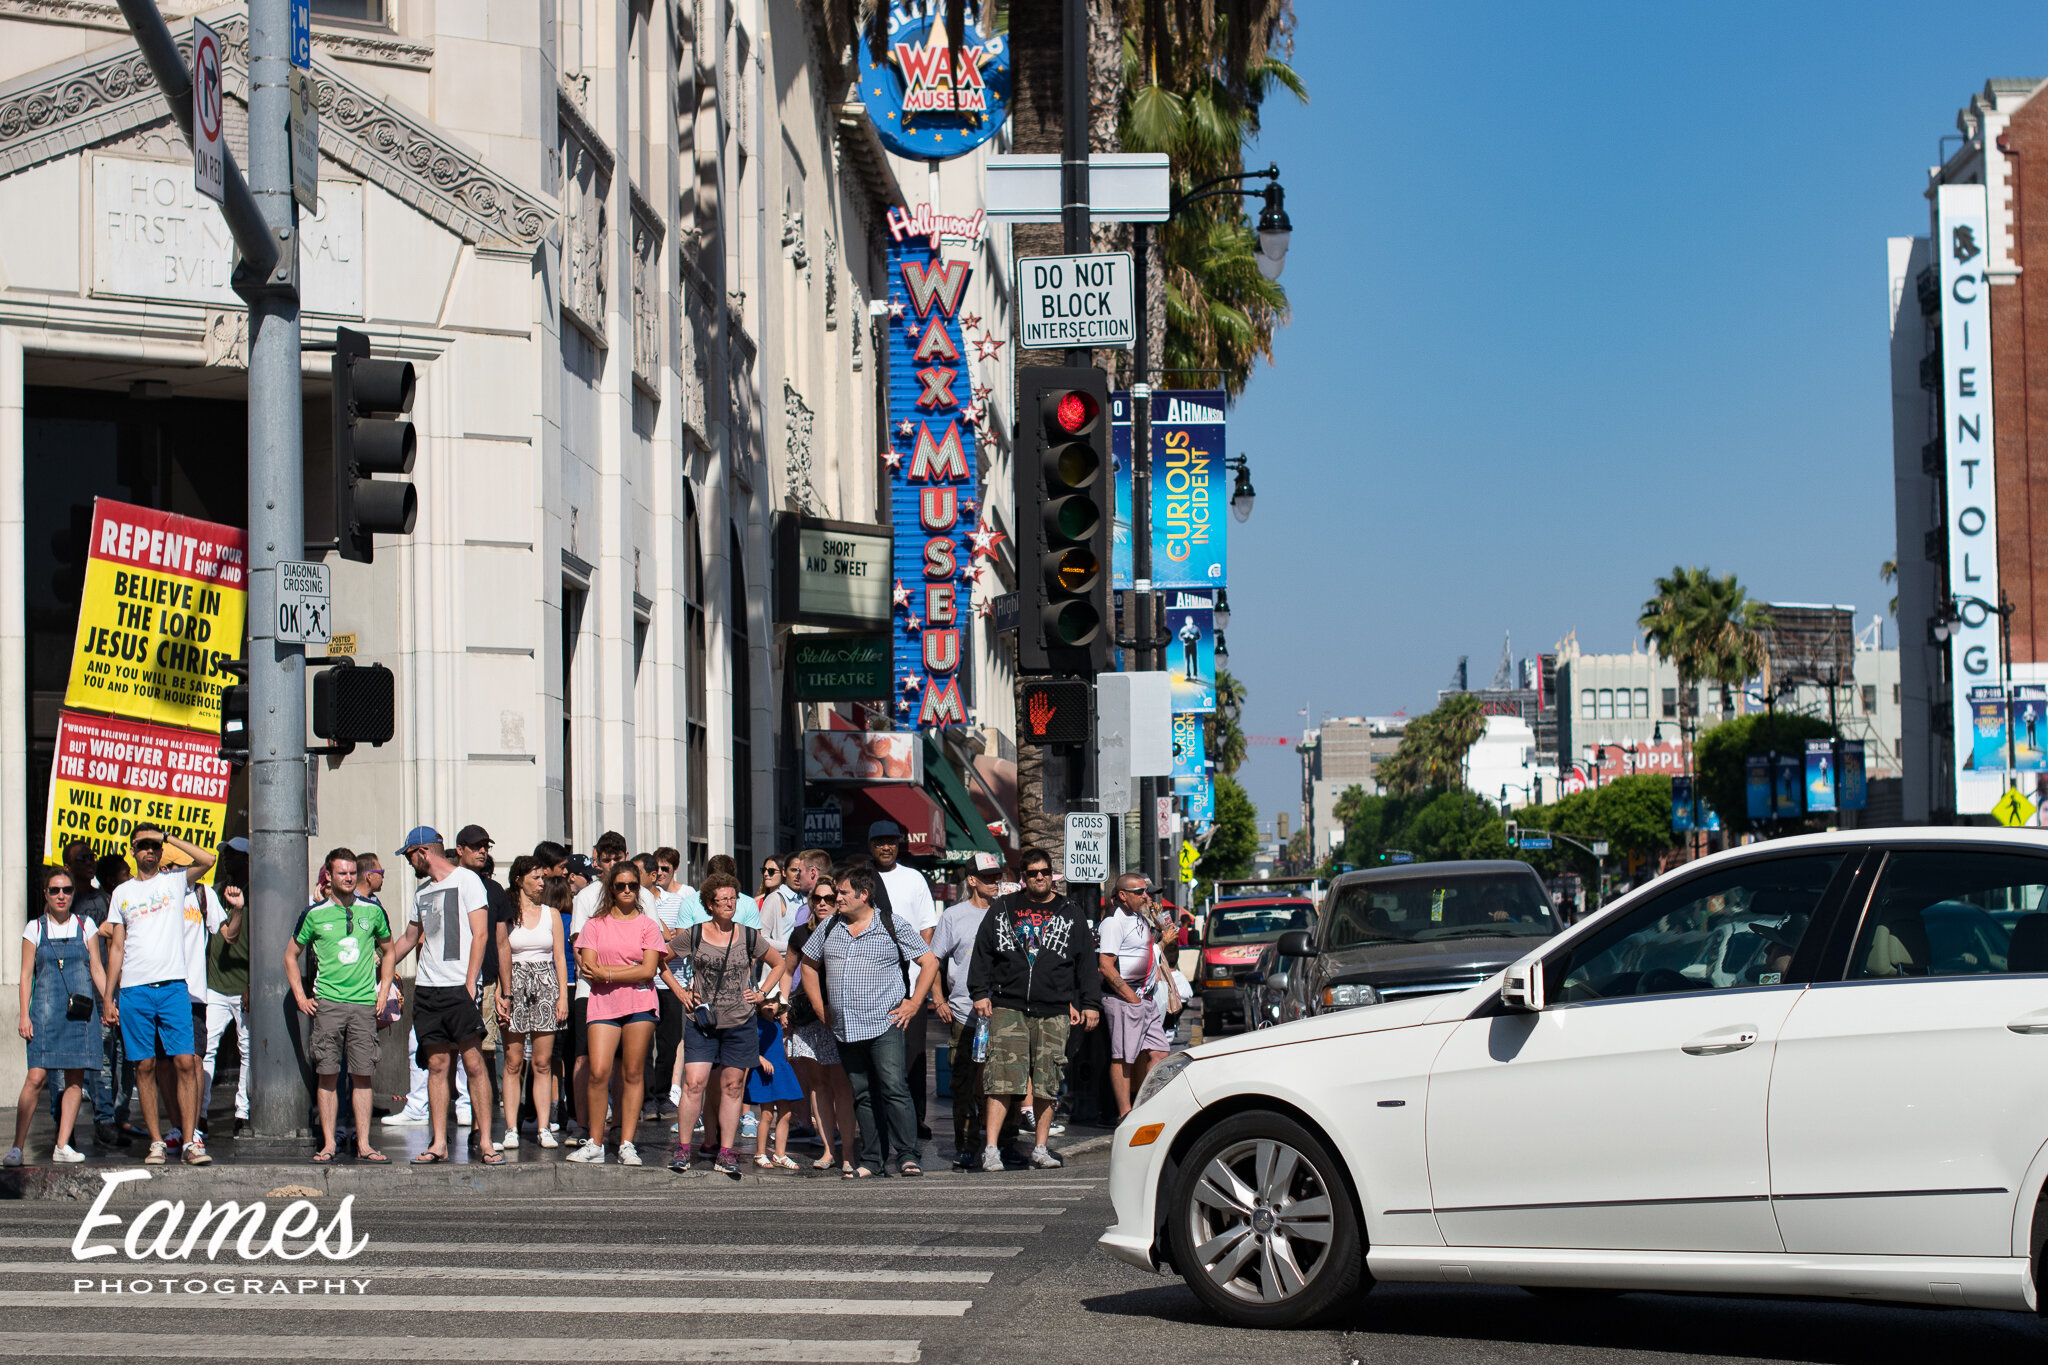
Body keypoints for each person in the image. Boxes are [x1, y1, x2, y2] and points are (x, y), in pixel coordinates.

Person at [801, 866, 940, 1179]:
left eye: (843, 893)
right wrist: (819, 1006)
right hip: (845, 1028)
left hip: (884, 1024)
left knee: (894, 1088)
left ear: (863, 895)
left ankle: (907, 1155)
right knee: (862, 1093)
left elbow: (929, 961)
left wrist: (915, 1002)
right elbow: (808, 965)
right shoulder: (829, 927)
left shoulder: (890, 924)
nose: (837, 898)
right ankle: (873, 1159)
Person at [968, 846, 1102, 1172]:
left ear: (1051, 874)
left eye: (1044, 871)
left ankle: (1040, 1148)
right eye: (1032, 873)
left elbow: (1086, 962)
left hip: (1054, 1009)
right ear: (1023, 877)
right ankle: (991, 1150)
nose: (1039, 877)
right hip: (1008, 1005)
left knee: (1047, 1081)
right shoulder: (1003, 908)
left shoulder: (1069, 912)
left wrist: (1091, 1003)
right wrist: (979, 992)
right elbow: (983, 951)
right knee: (1001, 1080)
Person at [102, 826, 216, 1166]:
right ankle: (156, 1142)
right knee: (145, 1065)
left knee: (185, 1061)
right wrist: (109, 996)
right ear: (133, 850)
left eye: (154, 846)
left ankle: (190, 1141)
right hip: (135, 989)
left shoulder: (175, 881)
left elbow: (208, 859)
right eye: (144, 846)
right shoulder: (122, 892)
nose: (150, 852)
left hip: (173, 987)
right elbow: (117, 946)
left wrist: (169, 838)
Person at [390, 827, 501, 1165]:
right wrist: (382, 965)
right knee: (437, 1064)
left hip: (459, 986)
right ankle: (438, 1142)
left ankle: (486, 1142)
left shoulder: (467, 880)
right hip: (427, 988)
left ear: (423, 851)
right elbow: (410, 937)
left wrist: (471, 982)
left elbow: (481, 934)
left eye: (410, 856)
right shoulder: (423, 891)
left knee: (472, 1062)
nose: (409, 863)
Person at [668, 872, 789, 1176]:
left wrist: (761, 993)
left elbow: (779, 962)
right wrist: (680, 991)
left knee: (732, 1086)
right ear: (709, 903)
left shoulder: (748, 935)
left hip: (740, 1021)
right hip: (702, 1020)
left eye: (732, 897)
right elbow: (660, 959)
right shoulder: (694, 933)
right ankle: (683, 1149)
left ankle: (726, 1152)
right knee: (694, 1082)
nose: (728, 903)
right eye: (722, 899)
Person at [288, 849, 396, 1163]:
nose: (348, 878)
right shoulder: (315, 914)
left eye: (352, 873)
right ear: (330, 876)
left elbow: (388, 950)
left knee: (363, 1074)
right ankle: (329, 1144)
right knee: (327, 1073)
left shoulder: (373, 911)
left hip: (364, 1004)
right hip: (328, 1003)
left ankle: (364, 1144)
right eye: (342, 873)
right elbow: (289, 956)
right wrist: (300, 995)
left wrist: (383, 988)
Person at [568, 860, 672, 1166]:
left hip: (640, 1004)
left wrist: (610, 973)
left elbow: (650, 969)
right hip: (602, 1004)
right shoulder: (594, 925)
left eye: (633, 886)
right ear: (610, 889)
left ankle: (627, 1142)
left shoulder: (648, 926)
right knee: (598, 1071)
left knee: (632, 1072)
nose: (627, 891)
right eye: (620, 886)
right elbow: (589, 970)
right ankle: (596, 1142)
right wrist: (630, 970)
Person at [9, 866, 108, 1165]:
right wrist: (24, 1015)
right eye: (55, 890)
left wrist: (109, 1001)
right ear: (46, 894)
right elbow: (26, 975)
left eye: (66, 890)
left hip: (81, 1014)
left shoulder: (86, 924)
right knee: (36, 1077)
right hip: (45, 1012)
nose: (61, 895)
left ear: (73, 893)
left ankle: (62, 1144)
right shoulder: (34, 928)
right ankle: (16, 1147)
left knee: (76, 1078)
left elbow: (96, 968)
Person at [864, 822, 939, 1139]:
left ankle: (915, 1119)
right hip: (869, 985)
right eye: (879, 842)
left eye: (891, 842)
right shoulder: (861, 879)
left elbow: (927, 929)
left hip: (911, 985)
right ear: (870, 846)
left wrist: (921, 973)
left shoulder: (914, 878)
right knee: (872, 1056)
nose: (885, 848)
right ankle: (878, 1120)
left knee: (912, 1055)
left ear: (899, 845)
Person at [496, 855, 569, 1149]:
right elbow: (501, 950)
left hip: (545, 983)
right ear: (519, 880)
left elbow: (560, 957)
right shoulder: (507, 913)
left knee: (542, 1062)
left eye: (542, 878)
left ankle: (543, 1126)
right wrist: (504, 991)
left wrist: (562, 995)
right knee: (513, 1061)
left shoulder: (551, 914)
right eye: (535, 877)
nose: (541, 883)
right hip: (514, 982)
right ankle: (511, 1127)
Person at [931, 854, 999, 1167]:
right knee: (964, 1083)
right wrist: (939, 999)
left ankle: (1000, 1144)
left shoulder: (1006, 913)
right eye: (987, 876)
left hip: (1003, 1013)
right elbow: (933, 959)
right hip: (964, 1013)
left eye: (997, 876)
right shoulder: (954, 916)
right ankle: (967, 1145)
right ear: (971, 880)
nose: (994, 882)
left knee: (1001, 1081)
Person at [784, 881, 856, 1173]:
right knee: (818, 1084)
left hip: (840, 1015)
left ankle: (848, 1151)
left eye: (829, 897)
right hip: (808, 1017)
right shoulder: (801, 932)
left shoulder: (846, 929)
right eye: (818, 898)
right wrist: (783, 1005)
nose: (823, 902)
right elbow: (787, 971)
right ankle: (828, 1149)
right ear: (811, 901)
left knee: (842, 1085)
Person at [1099, 873, 1174, 1120]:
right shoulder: (1114, 922)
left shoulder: (1139, 918)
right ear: (1123, 895)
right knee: (1124, 1057)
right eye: (1140, 892)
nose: (1145, 896)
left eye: (1146, 892)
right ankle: (1125, 1112)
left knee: (1160, 1052)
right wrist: (1131, 997)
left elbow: (1165, 934)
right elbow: (1106, 965)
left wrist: (1156, 915)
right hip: (1126, 999)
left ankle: (1143, 1106)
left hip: (1146, 999)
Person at [200, 876, 250, 1139]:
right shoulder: (211, 895)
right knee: (206, 1048)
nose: (230, 862)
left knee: (249, 1051)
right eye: (226, 855)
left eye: (235, 856)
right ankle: (200, 1113)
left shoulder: (258, 900)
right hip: (214, 986)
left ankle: (242, 1112)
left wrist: (252, 984)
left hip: (244, 987)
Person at [747, 995, 803, 1169]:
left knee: (785, 1112)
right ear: (758, 1004)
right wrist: (760, 1059)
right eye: (766, 1001)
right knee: (767, 1114)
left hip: (779, 1070)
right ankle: (760, 1153)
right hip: (764, 1071)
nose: (770, 1004)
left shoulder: (777, 1023)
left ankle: (780, 1154)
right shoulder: (755, 1023)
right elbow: (748, 1046)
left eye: (774, 1001)